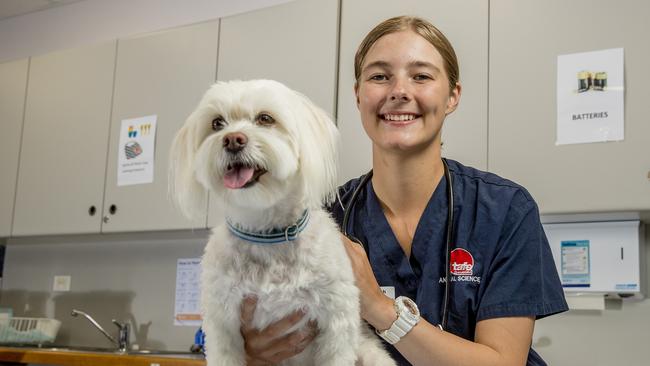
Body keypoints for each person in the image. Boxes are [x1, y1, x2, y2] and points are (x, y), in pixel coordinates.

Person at [240, 15, 568, 366]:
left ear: (452, 96)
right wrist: (256, 352)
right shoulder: (315, 219)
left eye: (421, 76)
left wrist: (377, 307)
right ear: (358, 95)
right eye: (379, 76)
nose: (398, 91)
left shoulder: (503, 210)